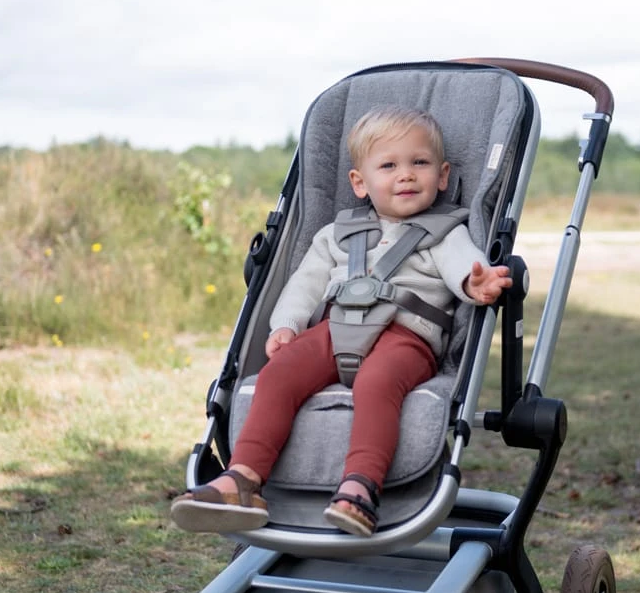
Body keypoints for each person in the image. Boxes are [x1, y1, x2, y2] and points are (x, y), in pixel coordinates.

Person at [170, 107, 512, 538]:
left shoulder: (444, 233)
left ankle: (360, 487)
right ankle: (242, 479)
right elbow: (305, 285)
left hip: (406, 337)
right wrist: (288, 325)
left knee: (377, 383)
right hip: (333, 330)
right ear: (359, 183)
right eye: (388, 166)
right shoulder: (336, 233)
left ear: (443, 176)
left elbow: (466, 266)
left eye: (419, 163)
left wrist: (475, 282)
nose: (405, 175)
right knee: (278, 374)